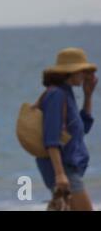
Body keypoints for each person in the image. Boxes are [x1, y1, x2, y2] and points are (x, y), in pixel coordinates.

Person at [37, 48, 98, 211]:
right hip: (63, 169)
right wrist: (60, 175)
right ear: (72, 71)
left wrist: (88, 95)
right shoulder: (56, 95)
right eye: (83, 71)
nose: (86, 75)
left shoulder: (67, 93)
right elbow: (51, 138)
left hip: (69, 169)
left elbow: (81, 129)